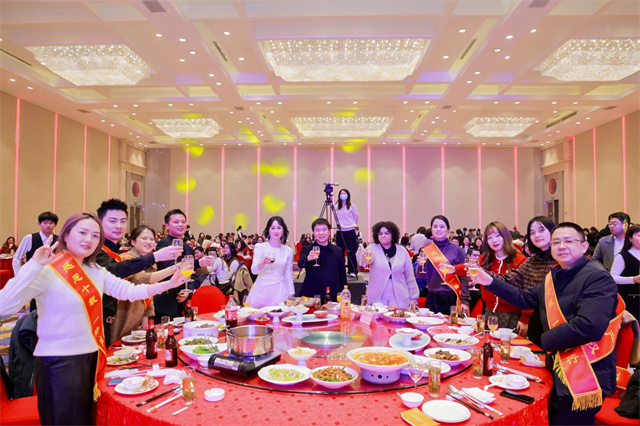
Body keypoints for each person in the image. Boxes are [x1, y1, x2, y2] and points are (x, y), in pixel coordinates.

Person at [0, 212, 188, 425]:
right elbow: (4, 305)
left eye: (95, 235)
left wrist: (168, 284)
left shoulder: (94, 269)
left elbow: (128, 290)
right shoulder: (48, 269)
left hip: (90, 359)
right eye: (82, 233)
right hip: (59, 363)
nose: (88, 240)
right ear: (66, 235)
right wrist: (34, 264)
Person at [473, 222, 622, 425]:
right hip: (557, 366)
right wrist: (490, 281)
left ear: (584, 246)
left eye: (568, 241)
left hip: (586, 372)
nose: (561, 246)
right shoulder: (555, 276)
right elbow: (524, 298)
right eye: (556, 242)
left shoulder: (597, 278)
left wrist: (544, 341)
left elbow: (589, 326)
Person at [95, 199, 182, 346]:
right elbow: (120, 272)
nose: (119, 226)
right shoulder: (97, 252)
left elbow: (133, 291)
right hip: (99, 324)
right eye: (112, 221)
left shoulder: (115, 252)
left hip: (117, 323)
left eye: (123, 221)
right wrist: (158, 258)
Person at [484, 216, 556, 345]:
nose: (536, 235)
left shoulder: (560, 259)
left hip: (557, 319)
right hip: (537, 321)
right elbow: (510, 279)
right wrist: (485, 276)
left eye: (541, 230)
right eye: (532, 233)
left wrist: (524, 317)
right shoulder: (531, 262)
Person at [109, 225, 177, 344]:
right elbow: (140, 279)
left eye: (152, 239)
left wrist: (147, 328)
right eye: (144, 238)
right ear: (133, 241)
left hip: (136, 321)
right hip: (122, 316)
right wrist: (175, 269)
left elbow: (148, 297)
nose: (149, 242)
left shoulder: (151, 264)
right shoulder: (125, 259)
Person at [154, 209, 214, 321]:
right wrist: (197, 262)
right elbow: (171, 265)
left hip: (182, 303)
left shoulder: (187, 247)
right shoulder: (163, 244)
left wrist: (188, 290)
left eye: (183, 222)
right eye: (176, 222)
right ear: (167, 226)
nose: (181, 224)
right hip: (166, 301)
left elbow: (191, 274)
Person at [478, 221, 527, 332]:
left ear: (506, 236)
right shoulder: (485, 259)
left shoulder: (519, 260)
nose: (494, 240)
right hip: (489, 311)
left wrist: (525, 318)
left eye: (497, 236)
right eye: (489, 237)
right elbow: (469, 267)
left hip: (512, 314)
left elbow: (527, 291)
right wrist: (453, 269)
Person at [358, 221, 418, 309]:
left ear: (393, 234)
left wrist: (413, 297)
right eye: (380, 233)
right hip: (377, 294)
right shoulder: (372, 248)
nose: (383, 236)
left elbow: (409, 276)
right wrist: (363, 256)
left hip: (399, 294)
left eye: (386, 233)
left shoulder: (402, 251)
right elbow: (366, 261)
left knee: (397, 316)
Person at [416, 215, 469, 314]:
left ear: (448, 230)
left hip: (452, 297)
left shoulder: (457, 250)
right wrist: (420, 265)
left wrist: (465, 301)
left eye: (442, 226)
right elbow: (420, 275)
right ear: (431, 229)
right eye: (435, 226)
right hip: (432, 297)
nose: (438, 229)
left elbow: (464, 276)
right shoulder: (426, 250)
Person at [247, 216, 294, 308]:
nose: (276, 231)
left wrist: (291, 293)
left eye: (279, 228)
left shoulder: (288, 251)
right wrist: (263, 263)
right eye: (272, 228)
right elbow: (254, 271)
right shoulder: (260, 247)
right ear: (268, 230)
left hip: (280, 291)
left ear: (283, 230)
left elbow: (289, 274)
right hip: (261, 290)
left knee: (279, 315)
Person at [298, 218, 347, 301]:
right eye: (317, 230)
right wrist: (308, 258)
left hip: (333, 293)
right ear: (313, 233)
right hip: (312, 294)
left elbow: (342, 275)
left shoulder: (337, 251)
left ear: (329, 232)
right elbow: (300, 263)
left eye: (324, 230)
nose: (321, 233)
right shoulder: (307, 249)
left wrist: (344, 293)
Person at [12, 211, 59, 276]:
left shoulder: (59, 240)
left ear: (56, 224)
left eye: (51, 223)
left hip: (52, 276)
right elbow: (17, 258)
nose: (48, 225)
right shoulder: (29, 238)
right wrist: (19, 276)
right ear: (39, 223)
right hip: (32, 275)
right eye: (45, 222)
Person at [610, 224, 640, 321]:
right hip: (631, 300)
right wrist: (633, 279)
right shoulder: (623, 256)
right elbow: (613, 277)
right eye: (639, 235)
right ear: (630, 238)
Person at [334, 188, 359, 277]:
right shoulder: (336, 206)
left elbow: (356, 217)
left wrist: (351, 225)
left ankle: (352, 271)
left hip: (350, 230)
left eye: (344, 193)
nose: (343, 195)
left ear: (348, 195)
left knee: (351, 251)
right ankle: (340, 271)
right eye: (341, 193)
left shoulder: (352, 206)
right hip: (340, 231)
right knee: (339, 251)